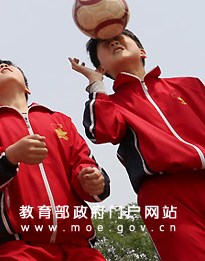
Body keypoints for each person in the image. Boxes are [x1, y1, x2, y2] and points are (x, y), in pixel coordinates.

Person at [70, 28, 205, 259]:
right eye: (105, 44)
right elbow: (99, 131)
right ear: (102, 68)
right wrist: (96, 84)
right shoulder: (111, 103)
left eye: (118, 38)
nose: (113, 43)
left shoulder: (189, 85)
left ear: (142, 51)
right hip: (163, 194)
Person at [0, 60, 109, 261]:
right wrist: (11, 156)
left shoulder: (60, 120)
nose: (3, 66)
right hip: (20, 246)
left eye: (8, 65)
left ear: (27, 88)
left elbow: (84, 162)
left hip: (79, 245)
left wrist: (93, 181)